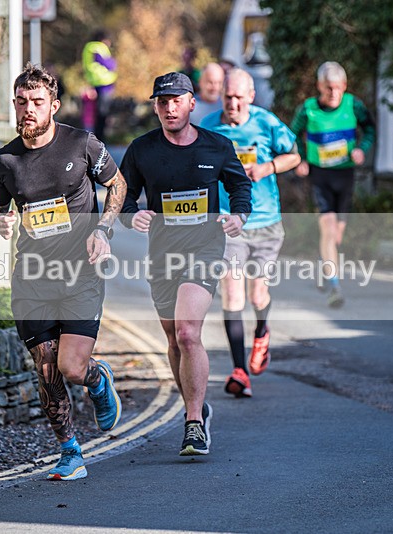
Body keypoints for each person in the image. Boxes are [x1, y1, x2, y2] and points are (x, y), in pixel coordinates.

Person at [0, 63, 127, 480]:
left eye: (37, 102)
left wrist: (103, 230)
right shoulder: (6, 160)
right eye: (22, 101)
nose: (28, 109)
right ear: (14, 104)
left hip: (80, 273)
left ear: (54, 106)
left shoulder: (81, 144)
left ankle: (97, 378)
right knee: (45, 366)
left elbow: (117, 186)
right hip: (31, 276)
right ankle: (70, 452)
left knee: (70, 367)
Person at [120, 72, 252, 455]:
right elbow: (123, 195)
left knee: (188, 332)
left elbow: (240, 185)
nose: (169, 107)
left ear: (192, 103)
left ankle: (193, 422)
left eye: (176, 100)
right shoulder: (142, 149)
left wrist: (238, 216)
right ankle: (198, 407)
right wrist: (132, 216)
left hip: (205, 250)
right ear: (155, 106)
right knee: (173, 340)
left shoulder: (217, 146)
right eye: (162, 101)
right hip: (162, 254)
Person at [200, 68, 300, 397]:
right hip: (230, 224)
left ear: (251, 97)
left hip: (267, 222)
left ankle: (262, 332)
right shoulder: (209, 127)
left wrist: (267, 167)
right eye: (228, 97)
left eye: (239, 98)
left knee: (258, 296)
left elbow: (294, 155)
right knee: (232, 294)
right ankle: (240, 370)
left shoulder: (267, 123)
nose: (233, 103)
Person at [290, 61, 376, 308]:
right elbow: (293, 135)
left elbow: (369, 129)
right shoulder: (308, 109)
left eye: (338, 88)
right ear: (319, 86)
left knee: (336, 237)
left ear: (345, 86)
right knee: (327, 230)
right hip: (320, 176)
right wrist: (302, 159)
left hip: (345, 175)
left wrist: (361, 149)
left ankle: (323, 264)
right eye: (329, 88)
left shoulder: (353, 105)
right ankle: (335, 286)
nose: (334, 93)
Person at [81, 30, 117, 141]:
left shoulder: (89, 47)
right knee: (102, 114)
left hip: (96, 83)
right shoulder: (98, 48)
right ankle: (99, 139)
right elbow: (109, 64)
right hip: (103, 83)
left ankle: (96, 138)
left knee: (95, 114)